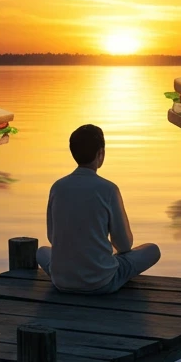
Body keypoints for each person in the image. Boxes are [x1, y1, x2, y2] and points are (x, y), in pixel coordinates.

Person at [36, 124, 160, 294]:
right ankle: (101, 266)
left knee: (42, 252)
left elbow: (52, 238)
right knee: (152, 250)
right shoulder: (108, 189)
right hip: (101, 282)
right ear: (100, 154)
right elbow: (124, 245)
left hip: (62, 281)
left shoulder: (57, 187)